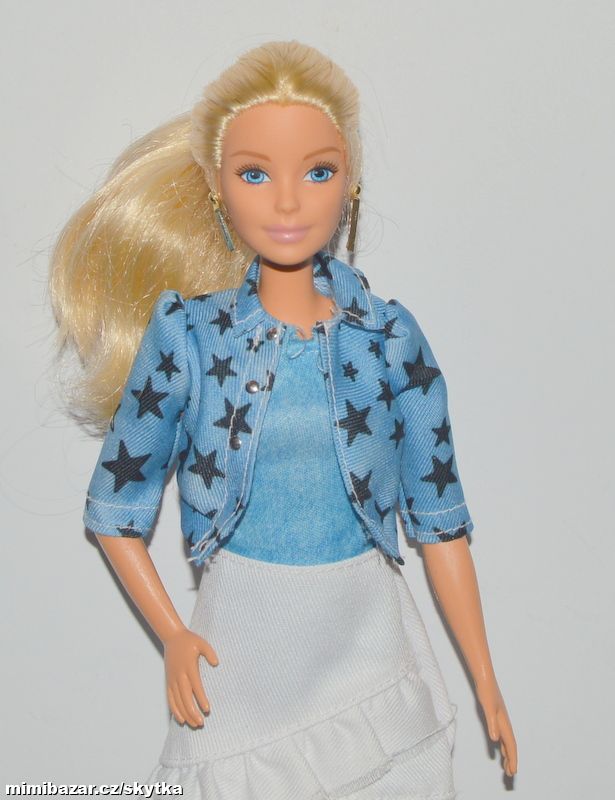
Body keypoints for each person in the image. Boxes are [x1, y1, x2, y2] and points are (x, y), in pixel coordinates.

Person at [50, 40, 517, 798]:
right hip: (243, 632)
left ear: (351, 182)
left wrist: (485, 680)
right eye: (255, 174)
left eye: (318, 172)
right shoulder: (192, 338)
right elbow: (114, 509)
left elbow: (440, 526)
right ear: (216, 187)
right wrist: (174, 635)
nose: (289, 203)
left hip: (365, 626)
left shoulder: (389, 341)